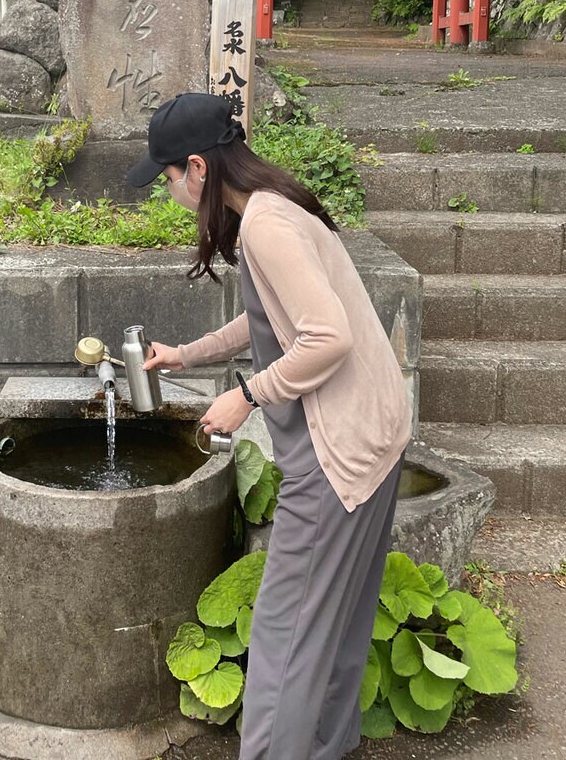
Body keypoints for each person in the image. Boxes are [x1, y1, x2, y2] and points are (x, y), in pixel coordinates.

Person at [127, 91, 412, 760]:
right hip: (375, 429)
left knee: (284, 640)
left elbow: (326, 337)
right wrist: (187, 354)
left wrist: (247, 395)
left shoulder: (265, 226)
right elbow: (274, 316)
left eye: (168, 176)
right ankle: (324, 747)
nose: (168, 190)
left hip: (338, 448)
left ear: (199, 168)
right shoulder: (273, 207)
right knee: (337, 626)